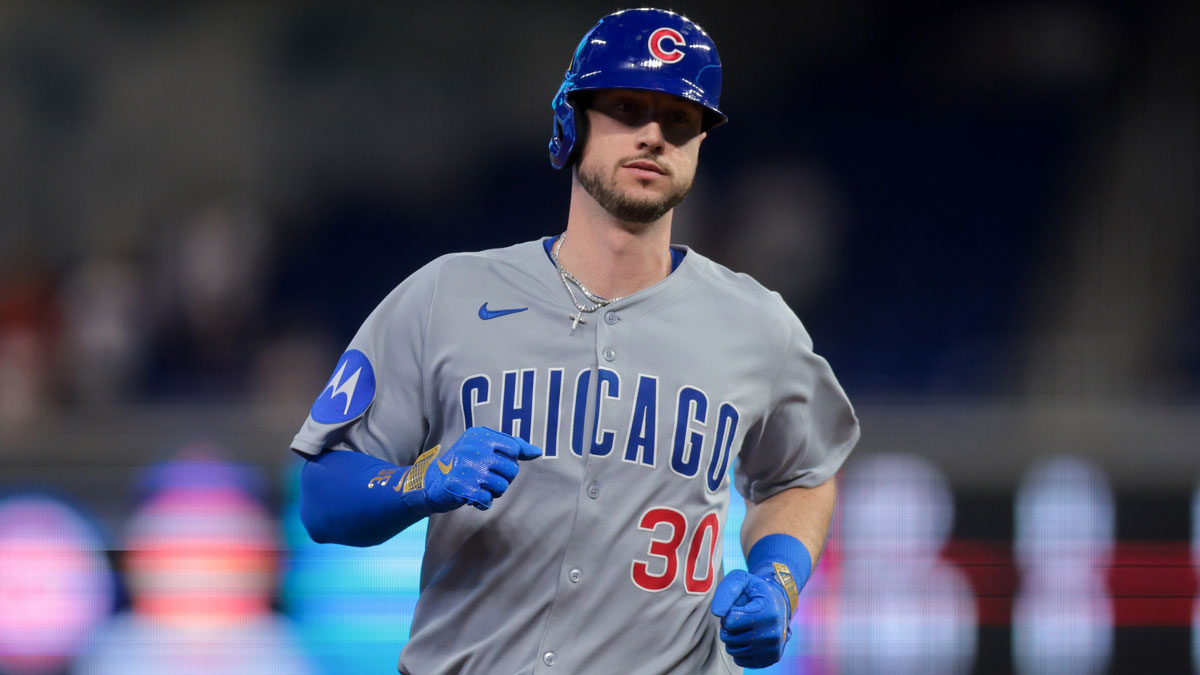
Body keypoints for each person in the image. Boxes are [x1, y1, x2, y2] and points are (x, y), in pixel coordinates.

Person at [292, 8, 859, 674]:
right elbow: (323, 496)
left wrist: (779, 583)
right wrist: (421, 479)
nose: (653, 134)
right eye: (626, 107)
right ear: (573, 121)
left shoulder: (757, 325)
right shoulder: (446, 294)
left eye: (679, 119)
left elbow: (803, 475)